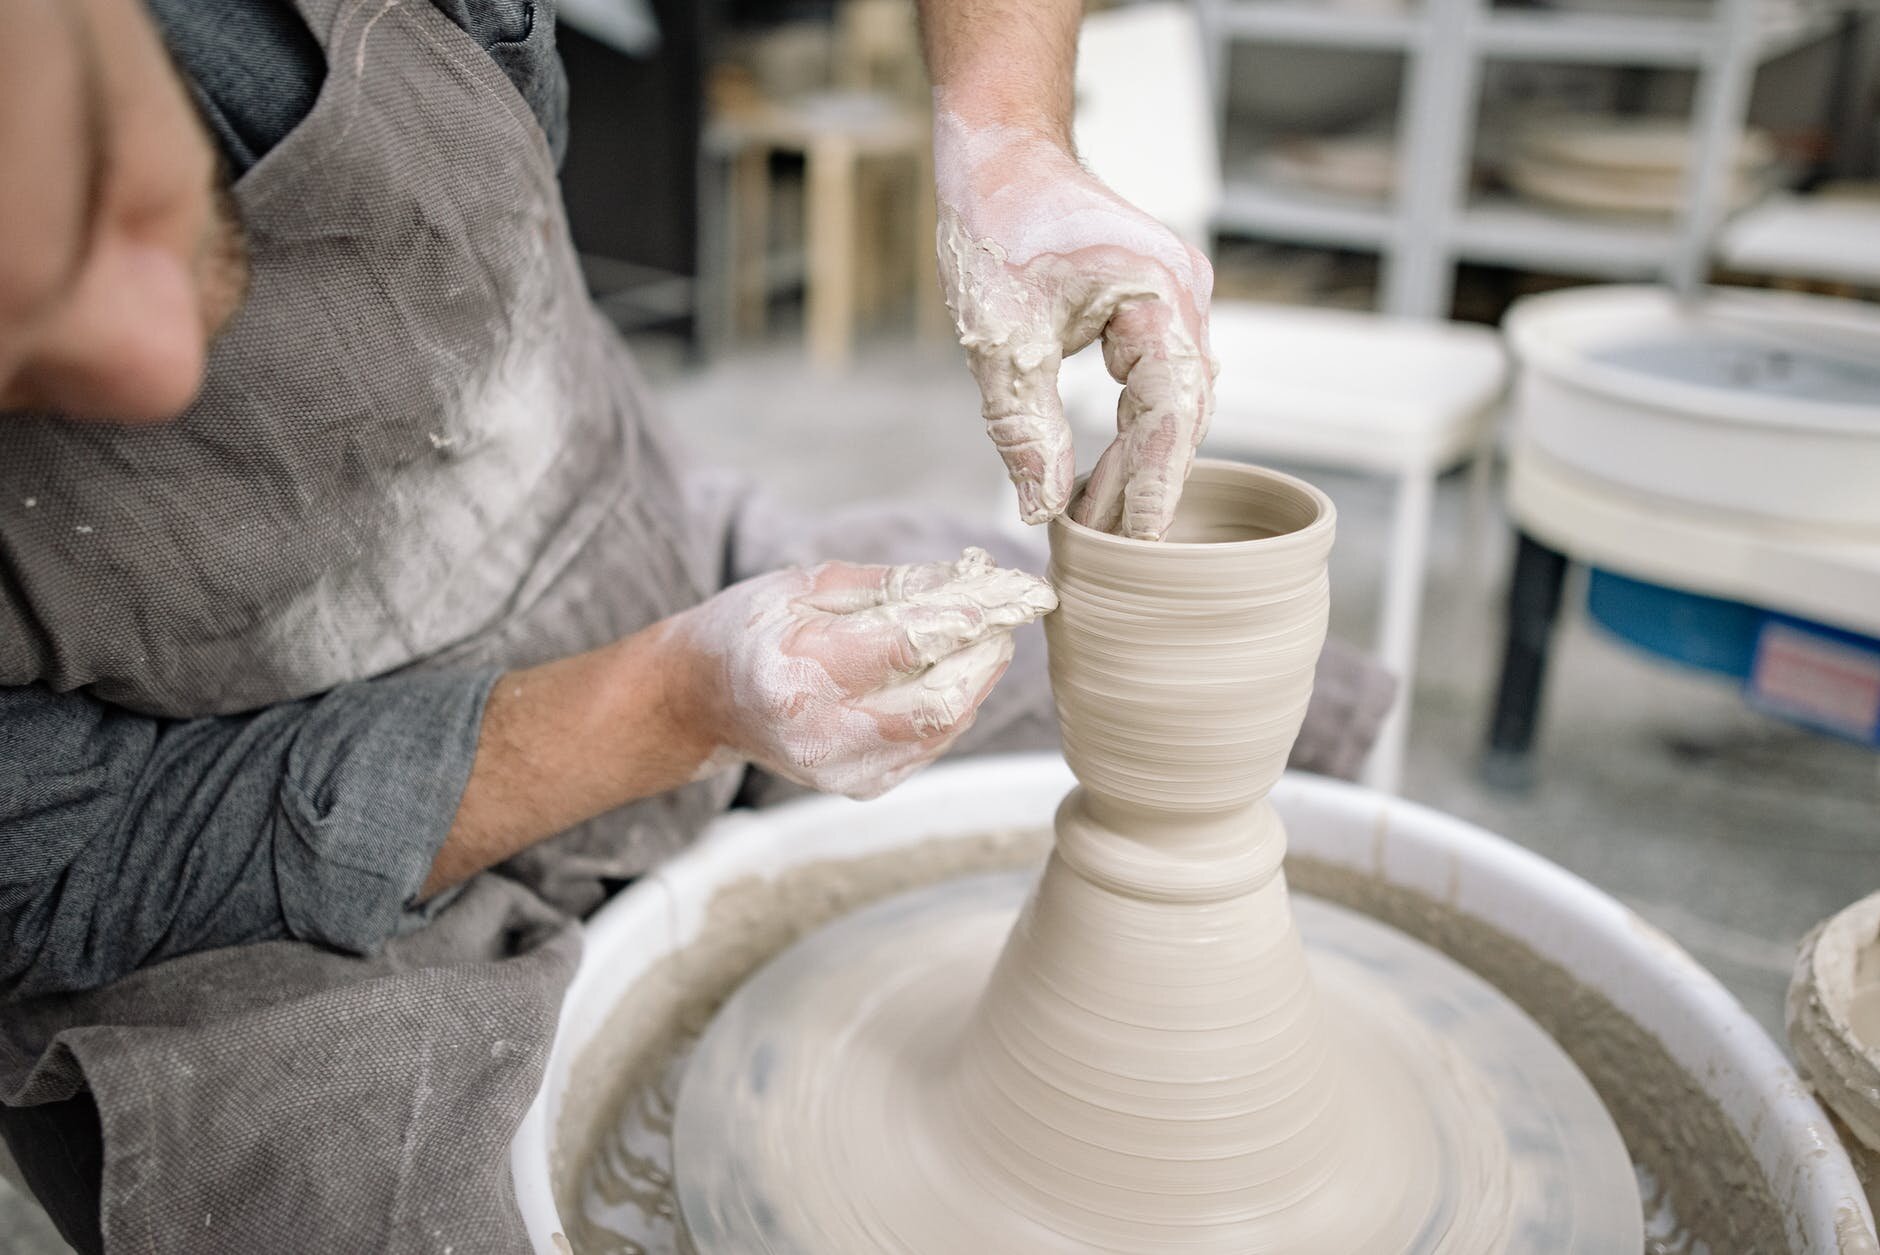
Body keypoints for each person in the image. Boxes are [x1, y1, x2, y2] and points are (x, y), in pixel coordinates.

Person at [0, 1, 1389, 1250]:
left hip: (627, 541)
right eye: (17, 366)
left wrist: (1006, 133)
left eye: (121, 200)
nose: (155, 360)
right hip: (228, 880)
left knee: (1297, 723)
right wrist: (669, 706)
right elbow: (54, 864)